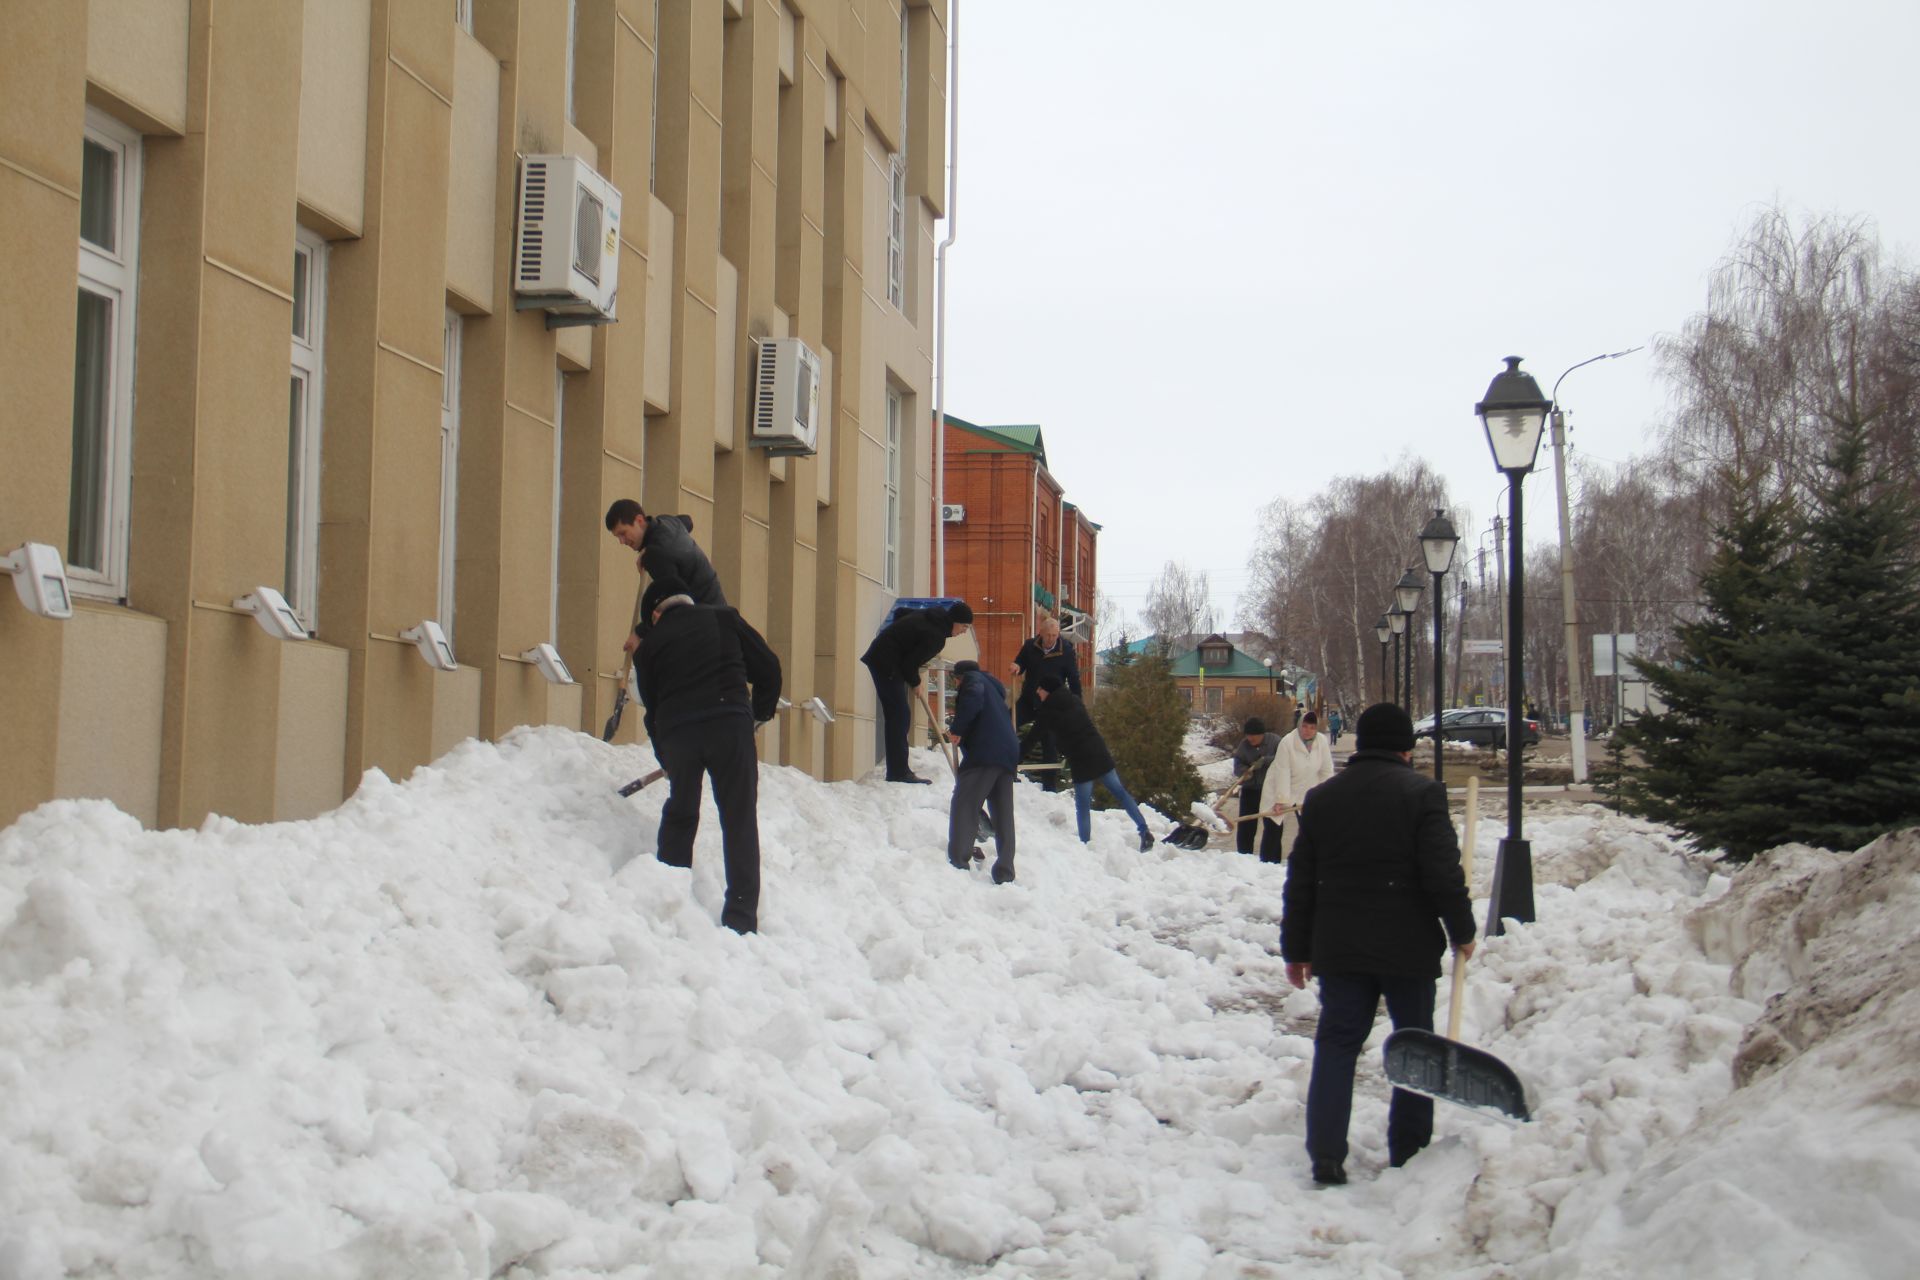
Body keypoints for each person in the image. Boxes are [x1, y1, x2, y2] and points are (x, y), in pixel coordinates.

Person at [1281, 702, 1476, 1186]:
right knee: (1416, 1046)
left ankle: (1326, 1154)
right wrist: (1463, 930)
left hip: (1340, 945)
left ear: (1362, 744)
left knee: (1337, 1044)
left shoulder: (1324, 799)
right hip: (1408, 947)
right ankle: (1409, 1152)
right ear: (1407, 748)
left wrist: (1296, 948)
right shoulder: (1423, 794)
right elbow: (1443, 874)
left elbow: (1301, 879)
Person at [632, 576, 781, 934]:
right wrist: (757, 715)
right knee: (738, 818)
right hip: (729, 723)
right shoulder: (723, 617)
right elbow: (769, 668)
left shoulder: (649, 647)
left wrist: (667, 757)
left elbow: (651, 712)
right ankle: (741, 918)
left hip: (679, 731)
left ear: (656, 613)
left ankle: (670, 900)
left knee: (682, 812)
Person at [1032, 674, 1154, 851]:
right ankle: (1144, 831)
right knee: (1121, 793)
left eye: (1040, 689)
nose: (1038, 692)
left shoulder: (1048, 712)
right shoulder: (1074, 700)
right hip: (1099, 751)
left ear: (1047, 691)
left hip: (1081, 760)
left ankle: (1085, 846)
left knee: (1082, 806)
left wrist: (1016, 757)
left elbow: (1033, 737)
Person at [860, 600, 974, 783]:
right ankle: (898, 772)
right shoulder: (936, 637)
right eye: (964, 626)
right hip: (887, 663)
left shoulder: (932, 615)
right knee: (899, 715)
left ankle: (897, 770)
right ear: (954, 621)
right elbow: (909, 665)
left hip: (884, 657)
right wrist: (916, 682)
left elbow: (901, 613)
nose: (964, 631)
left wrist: (904, 641)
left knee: (899, 714)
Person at [944, 659, 1018, 883]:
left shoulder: (973, 681)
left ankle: (958, 861)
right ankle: (1005, 870)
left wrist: (957, 729)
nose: (957, 685)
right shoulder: (993, 687)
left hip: (984, 752)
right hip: (1007, 753)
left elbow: (973, 697)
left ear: (959, 677)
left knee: (965, 803)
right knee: (1003, 812)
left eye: (956, 681)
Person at [605, 499, 727, 631]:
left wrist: (639, 633)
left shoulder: (656, 555)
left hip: (707, 625)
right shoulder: (667, 522)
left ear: (639, 521)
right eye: (618, 537)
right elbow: (687, 521)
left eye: (623, 533)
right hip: (721, 612)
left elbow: (670, 603)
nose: (621, 542)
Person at [1009, 614, 1081, 791]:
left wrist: (1076, 704)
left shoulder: (1066, 651)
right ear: (1041, 633)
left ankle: (1049, 788)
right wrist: (1016, 666)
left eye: (1055, 635)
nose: (1052, 639)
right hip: (1028, 699)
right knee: (1007, 723)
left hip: (1051, 706)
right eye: (1048, 635)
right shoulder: (1029, 646)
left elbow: (1073, 679)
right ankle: (1005, 769)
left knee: (1048, 742)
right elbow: (1020, 663)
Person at [1259, 710, 1335, 862]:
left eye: (1312, 727)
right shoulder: (1287, 742)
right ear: (1299, 725)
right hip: (1278, 789)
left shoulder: (1321, 742)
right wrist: (1280, 800)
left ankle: (1309, 863)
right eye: (1305, 726)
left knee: (1311, 829)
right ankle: (1269, 866)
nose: (1308, 731)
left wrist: (1325, 795)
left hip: (1306, 791)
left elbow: (1326, 770)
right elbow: (1283, 771)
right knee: (1273, 829)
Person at [1229, 718, 1279, 856]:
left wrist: (1264, 761)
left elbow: (1283, 757)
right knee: (1246, 825)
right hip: (1250, 790)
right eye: (1247, 735)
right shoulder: (1244, 746)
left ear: (1262, 734)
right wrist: (1244, 772)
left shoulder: (1274, 741)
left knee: (1273, 825)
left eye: (1253, 735)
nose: (1250, 738)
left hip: (1270, 790)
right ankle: (1244, 857)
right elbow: (1237, 763)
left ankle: (1270, 859)